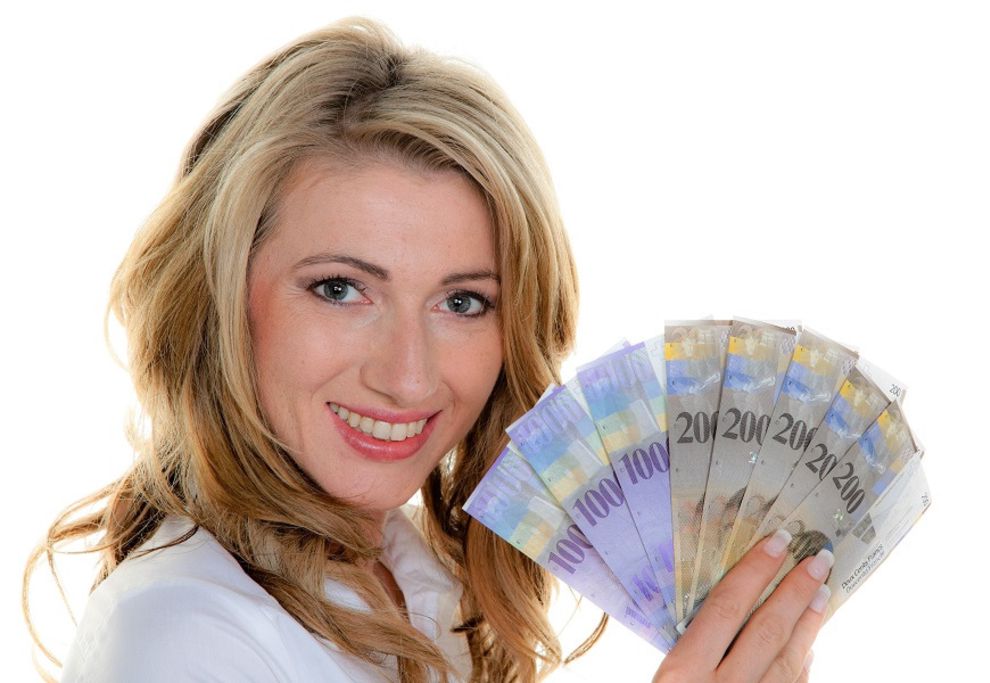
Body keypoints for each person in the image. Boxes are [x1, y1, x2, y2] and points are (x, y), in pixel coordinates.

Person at [23, 17, 832, 683]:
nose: (407, 376)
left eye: (463, 301)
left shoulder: (422, 578)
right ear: (219, 295)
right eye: (341, 288)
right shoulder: (181, 634)